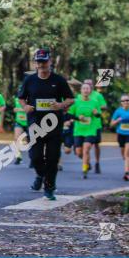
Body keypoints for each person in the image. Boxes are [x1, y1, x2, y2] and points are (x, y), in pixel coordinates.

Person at [17, 48, 74, 200]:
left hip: (54, 125)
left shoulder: (58, 80)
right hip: (35, 124)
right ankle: (40, 175)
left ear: (50, 62)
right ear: (35, 63)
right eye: (39, 61)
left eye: (44, 61)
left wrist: (61, 105)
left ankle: (49, 188)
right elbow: (21, 98)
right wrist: (25, 107)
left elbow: (70, 99)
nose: (41, 64)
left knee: (52, 157)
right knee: (35, 157)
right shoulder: (30, 80)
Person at [70, 83, 100, 179]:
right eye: (84, 88)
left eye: (88, 88)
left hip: (90, 130)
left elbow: (98, 115)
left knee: (86, 149)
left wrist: (96, 114)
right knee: (79, 152)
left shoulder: (94, 102)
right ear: (81, 91)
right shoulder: (76, 102)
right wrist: (78, 118)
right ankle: (87, 162)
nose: (86, 90)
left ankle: (84, 170)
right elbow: (70, 115)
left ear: (90, 91)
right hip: (78, 131)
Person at [111, 95, 129, 181]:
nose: (126, 102)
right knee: (124, 155)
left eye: (127, 100)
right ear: (121, 103)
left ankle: (126, 173)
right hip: (121, 134)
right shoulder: (118, 111)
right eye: (123, 101)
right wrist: (117, 121)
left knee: (127, 153)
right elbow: (111, 124)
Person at [87, 79, 108, 174]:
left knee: (96, 145)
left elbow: (105, 106)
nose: (88, 86)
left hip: (96, 124)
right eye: (86, 84)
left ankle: (97, 163)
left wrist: (96, 107)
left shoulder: (97, 95)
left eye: (90, 84)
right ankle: (86, 162)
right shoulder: (81, 95)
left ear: (92, 85)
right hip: (84, 124)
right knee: (85, 145)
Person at [12, 95, 29, 165]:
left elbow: (32, 109)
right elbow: (15, 109)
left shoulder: (31, 98)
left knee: (30, 141)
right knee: (16, 138)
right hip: (19, 122)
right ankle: (18, 157)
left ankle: (33, 158)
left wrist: (20, 110)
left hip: (29, 122)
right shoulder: (16, 99)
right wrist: (15, 110)